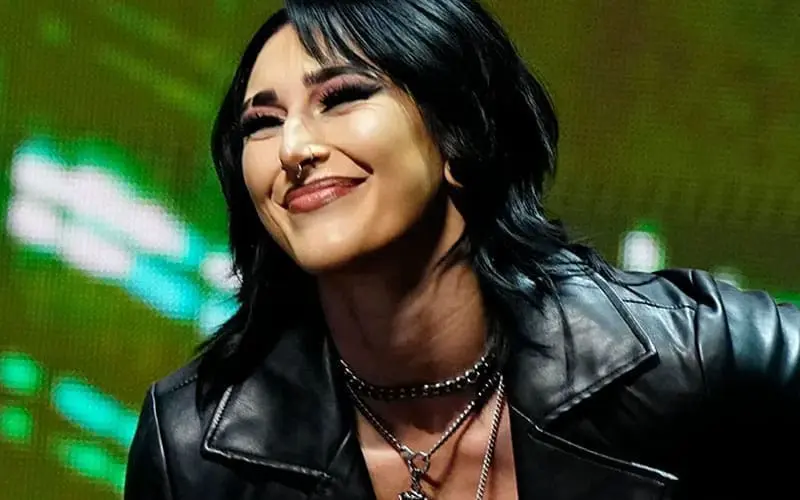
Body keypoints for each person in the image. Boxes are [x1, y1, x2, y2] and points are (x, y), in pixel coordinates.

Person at [124, 0, 800, 499]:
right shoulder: (192, 447)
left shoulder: (689, 352)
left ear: (459, 135)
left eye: (342, 97)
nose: (294, 148)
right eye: (262, 123)